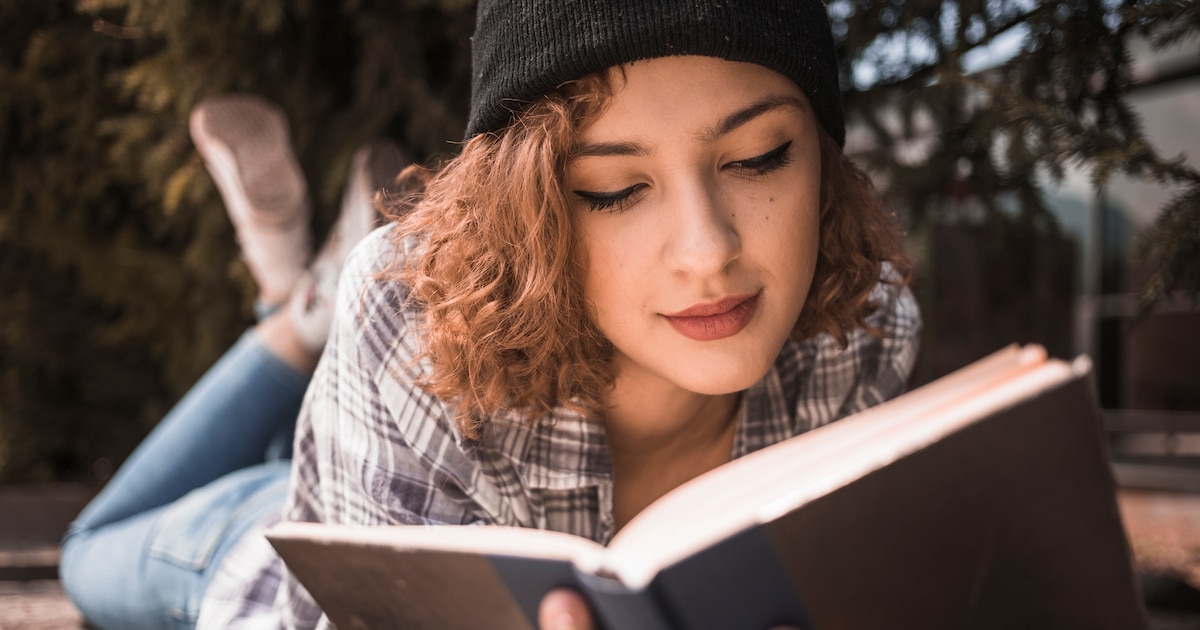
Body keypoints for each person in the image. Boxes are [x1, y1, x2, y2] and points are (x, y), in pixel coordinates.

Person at [198, 1, 921, 629]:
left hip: (364, 456)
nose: (707, 253)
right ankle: (294, 302)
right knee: (101, 544)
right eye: (611, 190)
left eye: (759, 157)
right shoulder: (406, 318)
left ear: (824, 159)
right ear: (526, 206)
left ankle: (295, 297)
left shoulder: (864, 330)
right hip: (243, 556)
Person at [59, 93, 409, 629]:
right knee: (84, 550)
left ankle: (292, 280)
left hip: (332, 497)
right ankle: (301, 307)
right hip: (256, 549)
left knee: (286, 462)